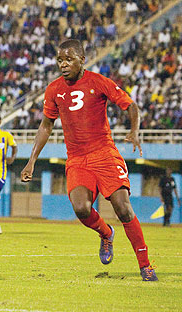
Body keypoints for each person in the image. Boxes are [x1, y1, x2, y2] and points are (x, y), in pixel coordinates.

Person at [21, 39, 158, 281]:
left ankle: (145, 266)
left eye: (69, 59)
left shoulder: (98, 82)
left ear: (82, 60)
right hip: (76, 159)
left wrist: (134, 131)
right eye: (60, 60)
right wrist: (31, 160)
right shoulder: (54, 89)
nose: (63, 64)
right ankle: (106, 233)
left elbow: (131, 105)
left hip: (104, 154)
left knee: (124, 209)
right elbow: (46, 125)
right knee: (81, 208)